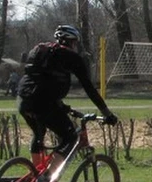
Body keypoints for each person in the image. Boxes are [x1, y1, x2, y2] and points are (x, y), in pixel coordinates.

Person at [17, 25, 118, 173]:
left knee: (38, 134)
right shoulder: (72, 57)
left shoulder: (39, 50)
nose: (76, 46)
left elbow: (41, 81)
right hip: (44, 103)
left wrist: (61, 106)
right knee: (70, 137)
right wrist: (107, 113)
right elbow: (89, 89)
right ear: (72, 42)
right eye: (75, 43)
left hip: (23, 100)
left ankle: (35, 175)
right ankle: (46, 177)